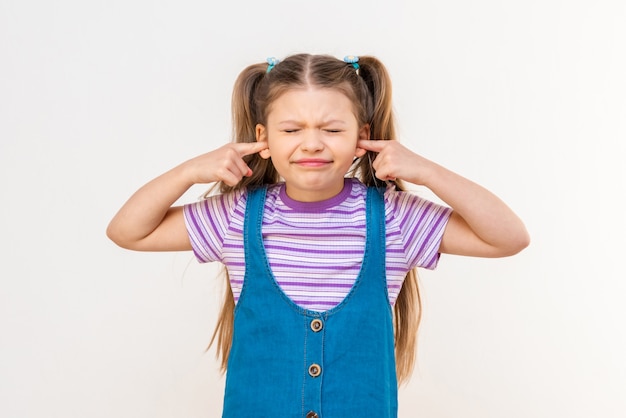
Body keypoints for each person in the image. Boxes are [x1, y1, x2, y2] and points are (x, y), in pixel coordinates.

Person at [106, 53, 529, 418]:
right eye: (291, 130)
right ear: (263, 139)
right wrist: (189, 172)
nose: (311, 144)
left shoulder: (394, 218)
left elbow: (508, 238)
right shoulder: (237, 215)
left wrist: (428, 172)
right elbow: (127, 231)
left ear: (362, 136)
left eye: (331, 129)